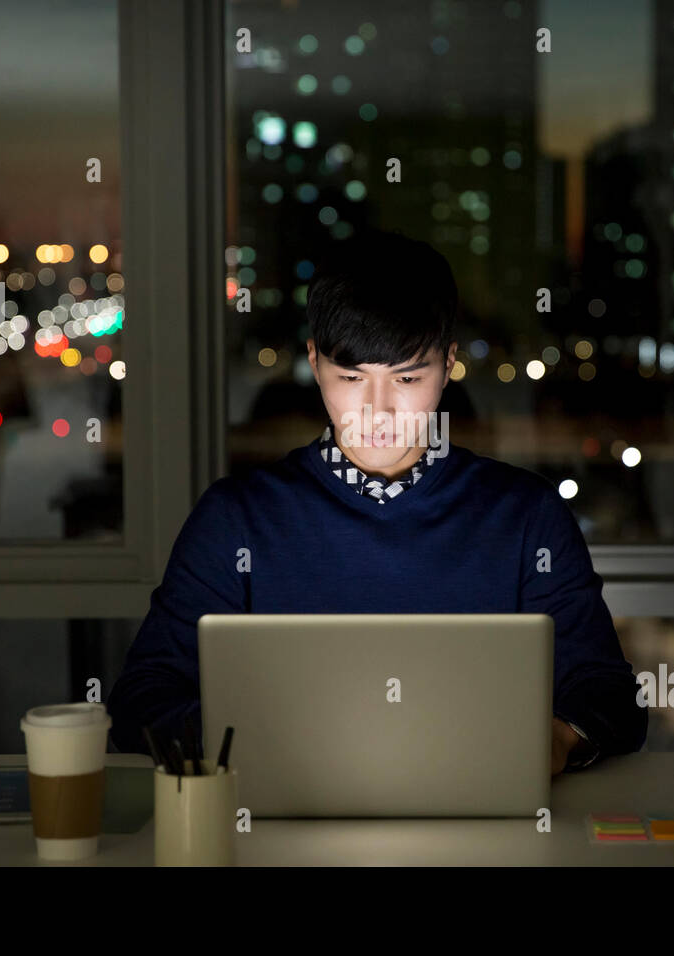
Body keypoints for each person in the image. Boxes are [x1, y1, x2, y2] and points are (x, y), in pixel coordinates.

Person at [107, 229, 646, 776]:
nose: (379, 410)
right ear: (315, 365)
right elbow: (142, 698)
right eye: (351, 377)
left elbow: (607, 694)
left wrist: (555, 739)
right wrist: (262, 740)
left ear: (447, 364)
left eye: (408, 377)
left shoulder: (527, 516)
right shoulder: (237, 519)